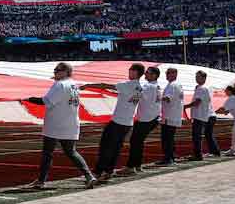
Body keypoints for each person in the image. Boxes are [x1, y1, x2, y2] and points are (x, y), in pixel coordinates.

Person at [24, 62, 96, 190]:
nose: (55, 72)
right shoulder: (74, 84)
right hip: (71, 123)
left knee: (48, 153)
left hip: (55, 124)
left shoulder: (60, 85)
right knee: (71, 152)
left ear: (65, 72)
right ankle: (89, 176)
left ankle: (41, 181)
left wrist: (27, 98)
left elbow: (46, 101)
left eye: (57, 70)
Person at [81, 62, 145, 182]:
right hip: (127, 122)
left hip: (118, 122)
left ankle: (98, 172)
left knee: (106, 146)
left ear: (136, 72)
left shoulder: (127, 85)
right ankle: (108, 171)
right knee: (115, 148)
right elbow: (124, 96)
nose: (129, 71)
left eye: (131, 69)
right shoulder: (139, 87)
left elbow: (105, 85)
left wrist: (88, 85)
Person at [119, 66, 161, 176]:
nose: (145, 74)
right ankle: (137, 165)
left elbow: (135, 92)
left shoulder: (148, 86)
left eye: (147, 73)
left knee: (135, 142)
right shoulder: (156, 86)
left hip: (146, 119)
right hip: (153, 118)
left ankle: (130, 167)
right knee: (138, 142)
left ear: (154, 75)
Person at [184, 70, 220, 160]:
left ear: (204, 78)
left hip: (199, 116)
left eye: (198, 77)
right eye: (196, 77)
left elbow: (197, 102)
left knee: (197, 136)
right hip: (203, 115)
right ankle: (211, 152)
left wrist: (185, 106)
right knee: (205, 135)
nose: (196, 78)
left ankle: (198, 155)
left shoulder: (201, 88)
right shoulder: (204, 88)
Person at [156, 67, 183, 166]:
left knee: (166, 139)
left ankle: (168, 159)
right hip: (172, 115)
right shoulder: (177, 85)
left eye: (169, 73)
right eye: (167, 73)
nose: (167, 75)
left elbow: (167, 98)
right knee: (170, 138)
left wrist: (156, 97)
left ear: (175, 74)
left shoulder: (172, 85)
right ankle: (171, 157)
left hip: (169, 116)